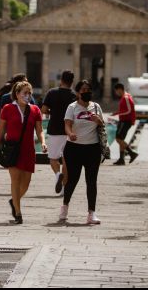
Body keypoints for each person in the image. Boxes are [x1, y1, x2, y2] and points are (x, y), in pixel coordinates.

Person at [0, 81, 47, 225]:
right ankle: (18, 213)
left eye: (29, 93)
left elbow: (39, 129)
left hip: (29, 150)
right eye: (24, 93)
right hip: (13, 149)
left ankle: (14, 200)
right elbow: (0, 130)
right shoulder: (7, 108)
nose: (27, 95)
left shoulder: (35, 110)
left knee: (26, 183)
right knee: (15, 180)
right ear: (17, 94)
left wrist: (43, 142)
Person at [60, 79, 105, 225]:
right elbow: (67, 125)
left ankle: (91, 213)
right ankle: (65, 206)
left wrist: (98, 121)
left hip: (92, 148)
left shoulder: (96, 107)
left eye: (88, 90)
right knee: (72, 179)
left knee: (91, 181)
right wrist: (70, 134)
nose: (86, 92)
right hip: (74, 148)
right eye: (83, 90)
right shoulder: (72, 107)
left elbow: (102, 125)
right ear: (78, 93)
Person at [42, 70, 76, 194]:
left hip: (54, 129)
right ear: (72, 82)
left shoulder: (52, 92)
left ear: (61, 80)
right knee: (66, 160)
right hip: (69, 131)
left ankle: (57, 175)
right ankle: (63, 189)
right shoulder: (74, 95)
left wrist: (53, 112)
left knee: (53, 158)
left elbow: (44, 109)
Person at [111, 83, 138, 165]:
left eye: (116, 91)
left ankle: (132, 153)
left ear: (119, 89)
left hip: (126, 121)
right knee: (120, 139)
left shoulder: (126, 97)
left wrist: (117, 113)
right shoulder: (125, 96)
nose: (116, 93)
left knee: (118, 139)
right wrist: (117, 113)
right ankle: (121, 159)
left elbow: (129, 110)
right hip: (123, 120)